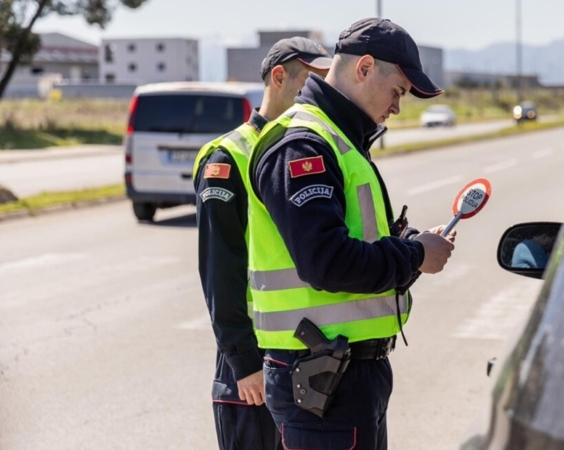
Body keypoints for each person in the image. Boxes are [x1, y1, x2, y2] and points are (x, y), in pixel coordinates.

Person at [246, 18, 456, 450]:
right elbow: (328, 262)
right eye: (398, 91)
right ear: (363, 68)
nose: (397, 107)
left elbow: (357, 242)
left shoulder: (339, 139)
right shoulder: (304, 145)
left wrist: (410, 243)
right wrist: (414, 257)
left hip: (343, 379)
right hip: (322, 382)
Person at [193, 37, 332, 450]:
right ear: (279, 77)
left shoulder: (311, 149)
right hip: (253, 365)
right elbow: (221, 269)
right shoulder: (229, 158)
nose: (319, 93)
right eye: (311, 81)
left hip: (303, 357)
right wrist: (243, 361)